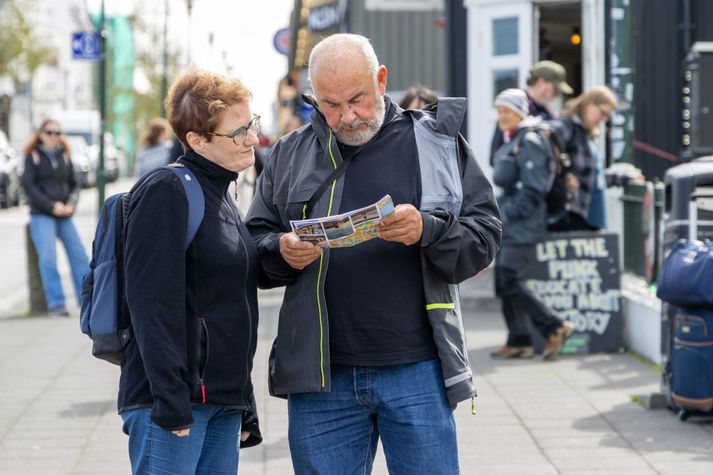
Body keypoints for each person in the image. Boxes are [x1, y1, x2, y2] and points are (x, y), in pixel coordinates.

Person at [246, 33, 501, 474]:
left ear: (382, 79)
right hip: (320, 377)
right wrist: (280, 250)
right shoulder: (289, 153)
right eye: (329, 104)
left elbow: (486, 235)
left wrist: (429, 229)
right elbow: (253, 243)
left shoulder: (436, 142)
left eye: (358, 99)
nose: (346, 117)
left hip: (417, 368)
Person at [120, 69, 263, 474]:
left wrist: (243, 402)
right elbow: (150, 303)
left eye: (252, 124)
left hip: (219, 400)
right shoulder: (167, 191)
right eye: (238, 133)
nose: (252, 138)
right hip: (174, 404)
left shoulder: (221, 193)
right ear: (197, 141)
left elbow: (231, 304)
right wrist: (170, 401)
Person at [489, 89, 574, 360]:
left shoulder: (532, 140)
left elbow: (534, 189)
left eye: (507, 111)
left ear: (520, 113)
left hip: (523, 224)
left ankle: (554, 325)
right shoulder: (512, 138)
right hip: (511, 222)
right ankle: (520, 340)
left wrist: (507, 214)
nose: (502, 116)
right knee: (503, 282)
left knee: (510, 279)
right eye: (499, 111)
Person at [20, 118, 90, 317]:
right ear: (41, 134)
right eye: (49, 132)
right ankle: (57, 303)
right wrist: (51, 206)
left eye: (57, 133)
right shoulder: (32, 156)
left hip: (64, 214)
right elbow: (29, 187)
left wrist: (71, 204)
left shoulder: (65, 155)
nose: (53, 136)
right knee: (48, 258)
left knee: (79, 255)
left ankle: (87, 301)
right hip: (42, 214)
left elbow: (75, 184)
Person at [547, 85, 619, 231]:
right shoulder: (567, 126)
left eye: (607, 117)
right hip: (572, 215)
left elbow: (595, 178)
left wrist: (622, 178)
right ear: (589, 103)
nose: (603, 120)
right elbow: (549, 139)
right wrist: (562, 177)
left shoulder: (586, 135)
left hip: (592, 215)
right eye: (602, 113)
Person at [489, 60, 573, 165]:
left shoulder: (548, 113)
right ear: (541, 82)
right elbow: (495, 157)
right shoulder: (514, 108)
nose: (557, 95)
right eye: (556, 89)